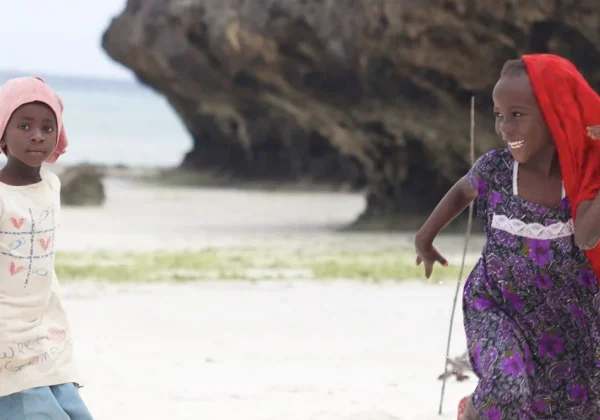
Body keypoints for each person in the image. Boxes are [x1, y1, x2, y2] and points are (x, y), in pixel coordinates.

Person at [415, 53, 600, 419]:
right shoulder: (497, 169)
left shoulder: (579, 179)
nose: (504, 128)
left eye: (517, 115)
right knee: (507, 386)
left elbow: (586, 237)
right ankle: (473, 410)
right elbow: (461, 191)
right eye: (499, 115)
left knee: (570, 407)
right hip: (495, 303)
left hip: (566, 318)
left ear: (554, 115)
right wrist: (425, 236)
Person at [0, 77, 93, 419]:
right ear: (2, 134)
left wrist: (56, 318)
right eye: (24, 126)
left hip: (45, 326)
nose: (37, 135)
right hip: (6, 329)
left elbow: (45, 265)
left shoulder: (52, 186)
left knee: (67, 407)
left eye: (47, 127)